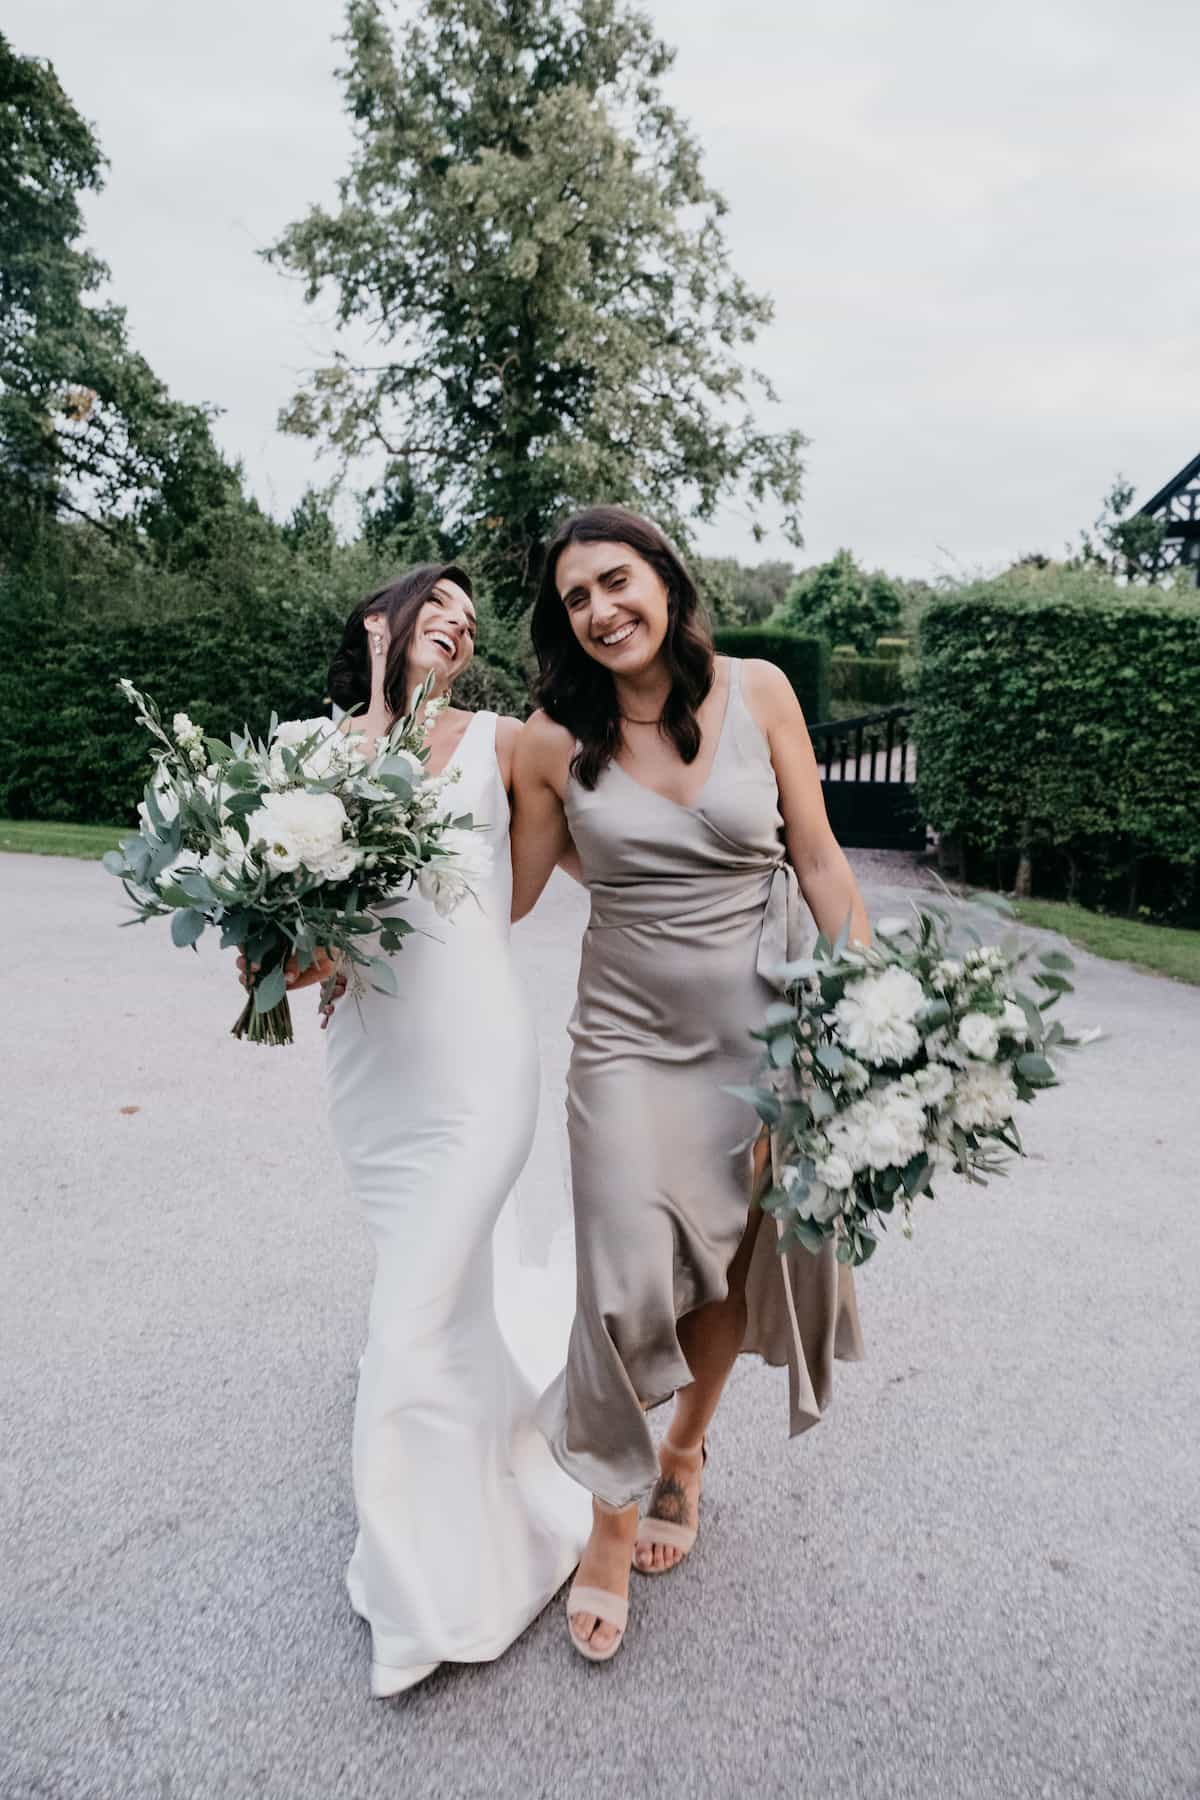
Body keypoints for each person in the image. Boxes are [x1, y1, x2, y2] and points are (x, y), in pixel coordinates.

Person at [510, 507, 868, 1663]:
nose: (603, 609)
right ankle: (609, 1518)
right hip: (621, 1037)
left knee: (723, 1258)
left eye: (617, 581)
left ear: (663, 580)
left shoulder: (760, 691)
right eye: (577, 599)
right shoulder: (554, 738)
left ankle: (685, 1452)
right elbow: (514, 889)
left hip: (756, 1036)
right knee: (621, 1269)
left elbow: (816, 859)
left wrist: (872, 1006)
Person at [291, 564, 588, 1696]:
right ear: (383, 621)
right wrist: (294, 958)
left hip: (476, 1060)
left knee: (409, 1316)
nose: (457, 626)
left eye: (470, 620)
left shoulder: (505, 742)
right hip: (373, 1064)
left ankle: (423, 1589)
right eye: (437, 608)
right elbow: (298, 940)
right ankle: (460, 1458)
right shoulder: (314, 753)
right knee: (434, 1290)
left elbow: (512, 899)